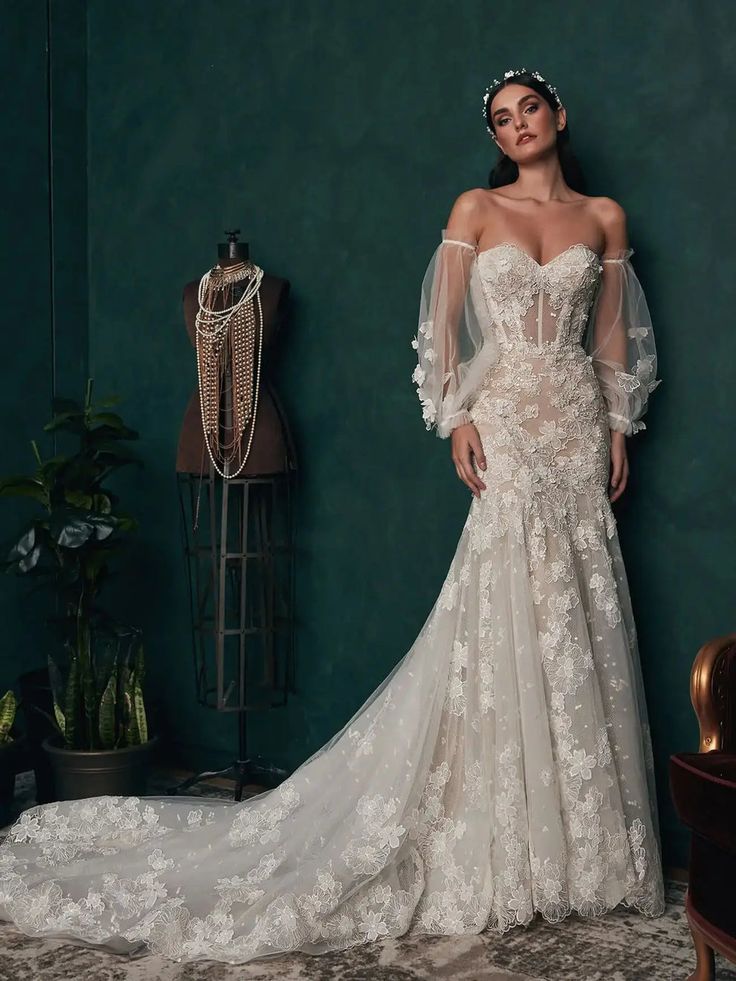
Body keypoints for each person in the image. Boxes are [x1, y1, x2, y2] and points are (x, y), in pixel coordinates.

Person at [0, 68, 665, 965]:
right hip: (507, 419)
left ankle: (584, 851)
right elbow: (442, 328)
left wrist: (620, 423)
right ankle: (508, 835)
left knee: (578, 606)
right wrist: (457, 419)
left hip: (577, 425)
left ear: (558, 115)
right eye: (501, 120)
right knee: (506, 601)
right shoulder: (475, 207)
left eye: (528, 111)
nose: (516, 128)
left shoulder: (605, 218)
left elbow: (615, 333)